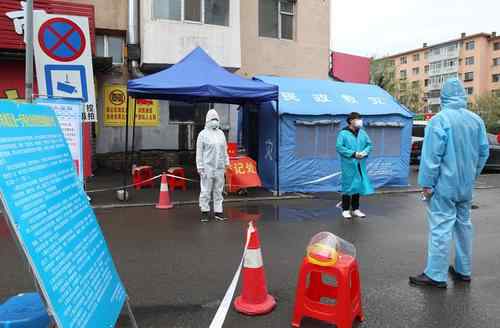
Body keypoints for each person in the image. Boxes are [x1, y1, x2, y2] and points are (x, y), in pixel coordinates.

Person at [409, 78, 490, 288]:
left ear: (443, 96)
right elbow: (484, 152)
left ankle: (436, 275)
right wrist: (473, 174)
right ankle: (464, 270)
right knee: (464, 226)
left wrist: (427, 184)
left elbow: (431, 157)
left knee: (441, 228)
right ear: (463, 94)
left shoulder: (439, 120)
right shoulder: (476, 120)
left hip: (444, 186)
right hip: (465, 187)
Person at [336, 112, 374, 219]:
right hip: (349, 163)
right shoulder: (343, 133)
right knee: (347, 186)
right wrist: (353, 154)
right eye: (357, 119)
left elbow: (369, 144)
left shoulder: (362, 132)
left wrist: (364, 152)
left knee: (358, 185)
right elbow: (339, 147)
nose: (359, 121)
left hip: (360, 162)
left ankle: (356, 209)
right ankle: (345, 209)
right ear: (351, 120)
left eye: (360, 118)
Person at [196, 109, 230, 223]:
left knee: (218, 190)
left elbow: (225, 149)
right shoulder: (202, 134)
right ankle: (204, 212)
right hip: (207, 168)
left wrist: (226, 163)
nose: (215, 121)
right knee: (205, 190)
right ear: (208, 120)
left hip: (219, 168)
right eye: (212, 119)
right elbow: (199, 152)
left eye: (216, 119)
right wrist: (200, 167)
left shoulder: (221, 134)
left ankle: (218, 212)